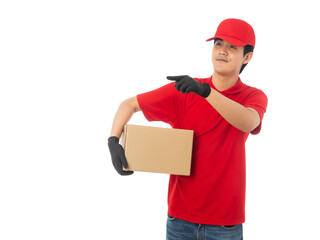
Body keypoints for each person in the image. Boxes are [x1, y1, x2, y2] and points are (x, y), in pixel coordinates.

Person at [108, 18, 268, 240]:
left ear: (247, 57)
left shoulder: (252, 96)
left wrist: (206, 92)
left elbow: (249, 122)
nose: (222, 51)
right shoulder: (185, 90)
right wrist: (113, 141)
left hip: (225, 224)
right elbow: (129, 104)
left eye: (232, 47)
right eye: (218, 44)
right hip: (179, 220)